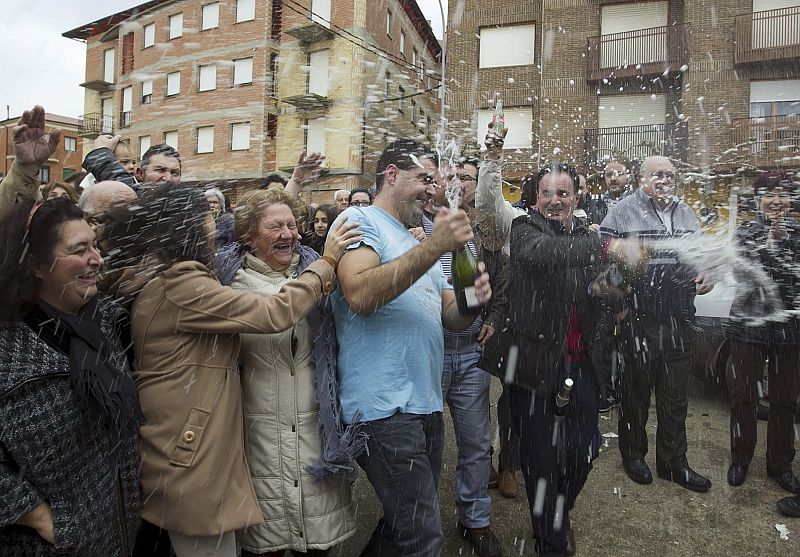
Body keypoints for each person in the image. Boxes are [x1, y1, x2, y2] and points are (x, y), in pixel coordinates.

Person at [103, 183, 359, 557]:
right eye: (205, 217)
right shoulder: (185, 285)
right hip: (192, 455)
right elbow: (272, 313)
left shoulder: (173, 279)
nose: (213, 224)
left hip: (196, 451)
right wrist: (327, 262)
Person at [331, 139, 491, 556]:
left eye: (434, 181)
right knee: (423, 536)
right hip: (383, 409)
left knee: (403, 524)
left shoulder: (411, 239)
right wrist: (435, 246)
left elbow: (450, 317)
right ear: (391, 175)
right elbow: (360, 294)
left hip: (424, 404)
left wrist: (473, 298)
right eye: (424, 178)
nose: (432, 189)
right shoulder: (358, 218)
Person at [480, 162, 623, 557]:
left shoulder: (585, 236)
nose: (555, 201)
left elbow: (604, 290)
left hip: (582, 366)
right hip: (533, 366)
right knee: (541, 460)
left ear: (577, 197)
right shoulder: (525, 231)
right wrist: (607, 245)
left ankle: (559, 511)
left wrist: (618, 282)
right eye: (548, 193)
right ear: (536, 198)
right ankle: (550, 542)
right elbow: (546, 255)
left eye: (564, 193)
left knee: (585, 450)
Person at [215, 188, 362, 556]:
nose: (288, 233)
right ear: (249, 235)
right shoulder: (227, 284)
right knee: (266, 544)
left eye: (292, 224)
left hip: (316, 428)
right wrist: (326, 264)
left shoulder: (324, 274)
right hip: (257, 432)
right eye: (275, 226)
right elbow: (277, 311)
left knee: (319, 543)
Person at [0, 196, 143, 555]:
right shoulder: (8, 345)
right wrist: (38, 516)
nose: (96, 259)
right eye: (79, 249)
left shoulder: (108, 322)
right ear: (36, 265)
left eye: (95, 245)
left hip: (118, 536)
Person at [600, 155, 714, 494]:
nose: (665, 180)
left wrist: (709, 273)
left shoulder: (685, 212)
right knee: (635, 393)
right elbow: (601, 257)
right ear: (641, 179)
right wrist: (620, 306)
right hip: (639, 316)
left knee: (675, 396)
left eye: (670, 174)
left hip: (679, 316)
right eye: (657, 174)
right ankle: (633, 455)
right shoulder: (622, 210)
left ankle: (673, 463)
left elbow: (701, 256)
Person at [422, 157, 507, 557]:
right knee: (423, 446)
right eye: (444, 178)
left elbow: (498, 280)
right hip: (429, 354)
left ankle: (475, 520)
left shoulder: (478, 226)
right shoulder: (411, 229)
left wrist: (493, 312)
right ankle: (419, 526)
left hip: (471, 353)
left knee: (476, 444)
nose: (451, 185)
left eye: (458, 179)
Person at [726, 171, 800, 494]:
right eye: (770, 194)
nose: (777, 201)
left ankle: (780, 464)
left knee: (784, 399)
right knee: (744, 396)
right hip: (749, 325)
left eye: (783, 194)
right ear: (758, 200)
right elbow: (742, 273)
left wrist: (785, 243)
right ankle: (740, 458)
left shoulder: (798, 233)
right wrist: (769, 244)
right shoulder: (745, 232)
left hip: (789, 329)